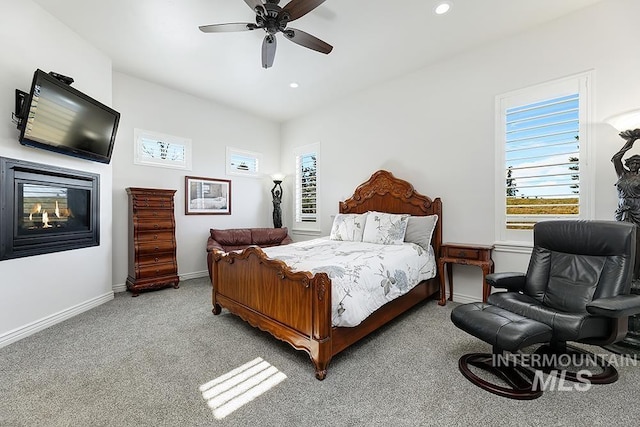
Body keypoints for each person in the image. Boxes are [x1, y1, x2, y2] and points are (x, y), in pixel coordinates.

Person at [612, 129, 640, 224]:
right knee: (621, 232)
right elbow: (616, 159)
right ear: (628, 164)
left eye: (637, 163)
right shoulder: (622, 174)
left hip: (637, 208)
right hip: (622, 207)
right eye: (632, 163)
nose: (634, 165)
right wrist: (630, 141)